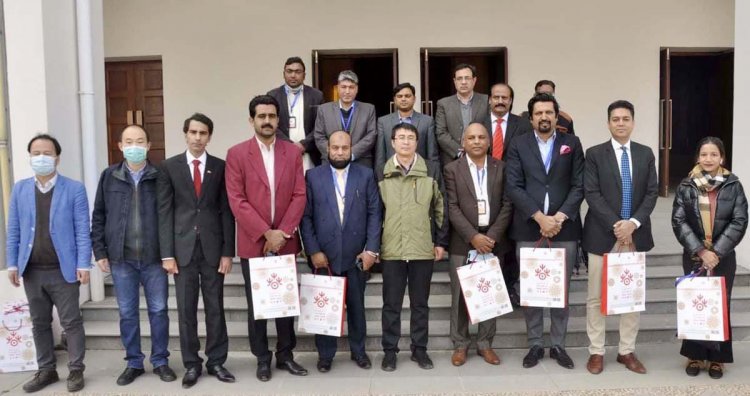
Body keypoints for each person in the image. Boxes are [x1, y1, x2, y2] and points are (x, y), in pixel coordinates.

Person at [225, 95, 308, 382]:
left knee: (286, 303)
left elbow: (299, 195)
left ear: (278, 119)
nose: (267, 121)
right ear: (252, 120)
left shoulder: (292, 153)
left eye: (272, 116)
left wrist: (282, 233)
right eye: (262, 116)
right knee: (258, 305)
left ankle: (286, 355)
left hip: (285, 243)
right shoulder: (236, 154)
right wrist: (265, 233)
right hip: (255, 243)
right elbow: (237, 200)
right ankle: (262, 358)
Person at [91, 125, 176, 386]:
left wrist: (168, 254)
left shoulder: (159, 175)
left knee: (159, 311)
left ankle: (160, 360)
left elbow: (168, 216)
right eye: (129, 141)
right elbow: (99, 215)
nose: (134, 146)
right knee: (127, 313)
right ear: (120, 145)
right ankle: (134, 362)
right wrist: (100, 250)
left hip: (153, 258)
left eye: (140, 141)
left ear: (149, 146)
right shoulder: (109, 176)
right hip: (121, 259)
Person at [505, 93, 584, 370]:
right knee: (532, 289)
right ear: (531, 118)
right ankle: (535, 344)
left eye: (549, 112)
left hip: (564, 229)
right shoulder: (518, 144)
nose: (544, 117)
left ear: (556, 115)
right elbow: (513, 186)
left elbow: (579, 185)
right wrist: (540, 218)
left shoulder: (571, 144)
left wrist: (558, 218)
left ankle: (559, 345)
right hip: (529, 227)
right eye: (538, 113)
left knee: (561, 290)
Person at [6, 134, 90, 393]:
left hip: (62, 270)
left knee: (71, 321)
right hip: (32, 270)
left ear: (57, 157)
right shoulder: (20, 189)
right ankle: (46, 370)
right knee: (39, 322)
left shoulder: (74, 188)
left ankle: (76, 370)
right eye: (36, 153)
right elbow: (14, 230)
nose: (41, 157)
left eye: (47, 153)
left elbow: (81, 230)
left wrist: (83, 264)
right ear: (30, 157)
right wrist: (12, 263)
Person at [157, 113, 236, 387]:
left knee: (216, 308)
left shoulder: (220, 166)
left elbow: (226, 211)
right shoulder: (169, 167)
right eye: (193, 132)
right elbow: (165, 211)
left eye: (203, 133)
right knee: (186, 310)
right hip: (182, 251)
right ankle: (191, 364)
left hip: (214, 250)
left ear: (209, 137)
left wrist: (228, 252)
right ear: (186, 134)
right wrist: (167, 253)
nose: (198, 138)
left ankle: (216, 362)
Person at [582, 100, 658, 375]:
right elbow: (591, 193)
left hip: (635, 236)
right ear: (608, 123)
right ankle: (596, 352)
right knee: (595, 298)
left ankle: (626, 351)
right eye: (616, 119)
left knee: (631, 296)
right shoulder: (594, 154)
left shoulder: (645, 153)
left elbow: (652, 193)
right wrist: (617, 224)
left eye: (626, 118)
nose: (621, 123)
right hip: (602, 234)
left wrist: (633, 223)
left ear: (633, 122)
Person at [300, 131, 382, 373]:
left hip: (356, 257)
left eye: (344, 148)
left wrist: (371, 251)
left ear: (350, 149)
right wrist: (312, 250)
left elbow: (374, 214)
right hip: (324, 256)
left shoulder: (365, 175)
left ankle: (359, 351)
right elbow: (305, 218)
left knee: (356, 307)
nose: (339, 152)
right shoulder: (313, 176)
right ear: (327, 149)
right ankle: (325, 355)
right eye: (335, 147)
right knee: (324, 307)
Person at [672, 136, 748, 379]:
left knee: (720, 305)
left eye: (713, 154)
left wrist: (716, 252)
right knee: (696, 304)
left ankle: (718, 358)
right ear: (698, 157)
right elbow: (679, 220)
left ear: (722, 158)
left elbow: (739, 220)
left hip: (723, 257)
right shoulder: (686, 185)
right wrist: (701, 251)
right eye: (704, 154)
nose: (708, 159)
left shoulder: (733, 185)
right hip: (695, 255)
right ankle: (694, 355)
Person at [378, 122, 449, 372]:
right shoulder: (382, 171)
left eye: (410, 137)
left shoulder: (430, 169)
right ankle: (390, 351)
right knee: (391, 305)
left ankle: (420, 350)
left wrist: (440, 242)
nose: (406, 142)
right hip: (391, 250)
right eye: (401, 137)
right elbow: (375, 213)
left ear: (417, 143)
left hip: (422, 248)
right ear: (392, 142)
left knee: (420, 304)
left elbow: (441, 207)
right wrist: (374, 247)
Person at [443, 123, 512, 366]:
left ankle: (485, 344)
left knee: (490, 295)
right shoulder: (452, 169)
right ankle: (460, 344)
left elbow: (507, 204)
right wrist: (473, 236)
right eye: (471, 137)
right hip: (463, 242)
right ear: (463, 142)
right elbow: (451, 207)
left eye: (481, 137)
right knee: (460, 296)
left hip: (493, 241)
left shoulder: (501, 168)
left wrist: (491, 236)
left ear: (488, 141)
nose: (476, 141)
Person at [482, 82, 533, 306]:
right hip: (485, 191)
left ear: (511, 101)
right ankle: (490, 291)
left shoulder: (522, 125)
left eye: (505, 97)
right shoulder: (479, 124)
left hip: (514, 188)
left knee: (511, 240)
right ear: (489, 100)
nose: (500, 101)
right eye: (496, 97)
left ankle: (511, 288)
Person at [267, 56, 325, 171]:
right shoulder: (273, 95)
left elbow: (321, 125)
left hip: (309, 153)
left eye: (298, 72)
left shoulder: (316, 95)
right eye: (289, 71)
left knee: (308, 185)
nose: (293, 75)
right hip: (282, 152)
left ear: (304, 75)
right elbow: (271, 124)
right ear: (284, 74)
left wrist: (303, 144)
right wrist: (290, 146)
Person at [313, 70, 377, 168]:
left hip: (360, 161)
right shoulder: (323, 109)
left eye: (351, 87)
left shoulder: (368, 109)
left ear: (357, 89)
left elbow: (371, 135)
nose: (347, 91)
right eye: (343, 87)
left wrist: (351, 153)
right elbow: (318, 136)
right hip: (331, 162)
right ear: (338, 88)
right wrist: (334, 153)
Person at [375, 83, 439, 172]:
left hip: (420, 173)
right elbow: (380, 155)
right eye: (400, 96)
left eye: (407, 96)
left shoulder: (427, 121)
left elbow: (432, 154)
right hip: (392, 173)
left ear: (414, 98)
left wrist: (433, 175)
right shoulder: (383, 122)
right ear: (394, 99)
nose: (403, 99)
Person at [435, 63, 489, 166]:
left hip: (481, 158)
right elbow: (441, 133)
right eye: (459, 78)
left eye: (467, 78)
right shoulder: (443, 104)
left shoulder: (486, 101)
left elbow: (490, 129)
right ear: (454, 81)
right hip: (453, 160)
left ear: (474, 80)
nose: (463, 82)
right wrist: (460, 152)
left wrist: (478, 150)